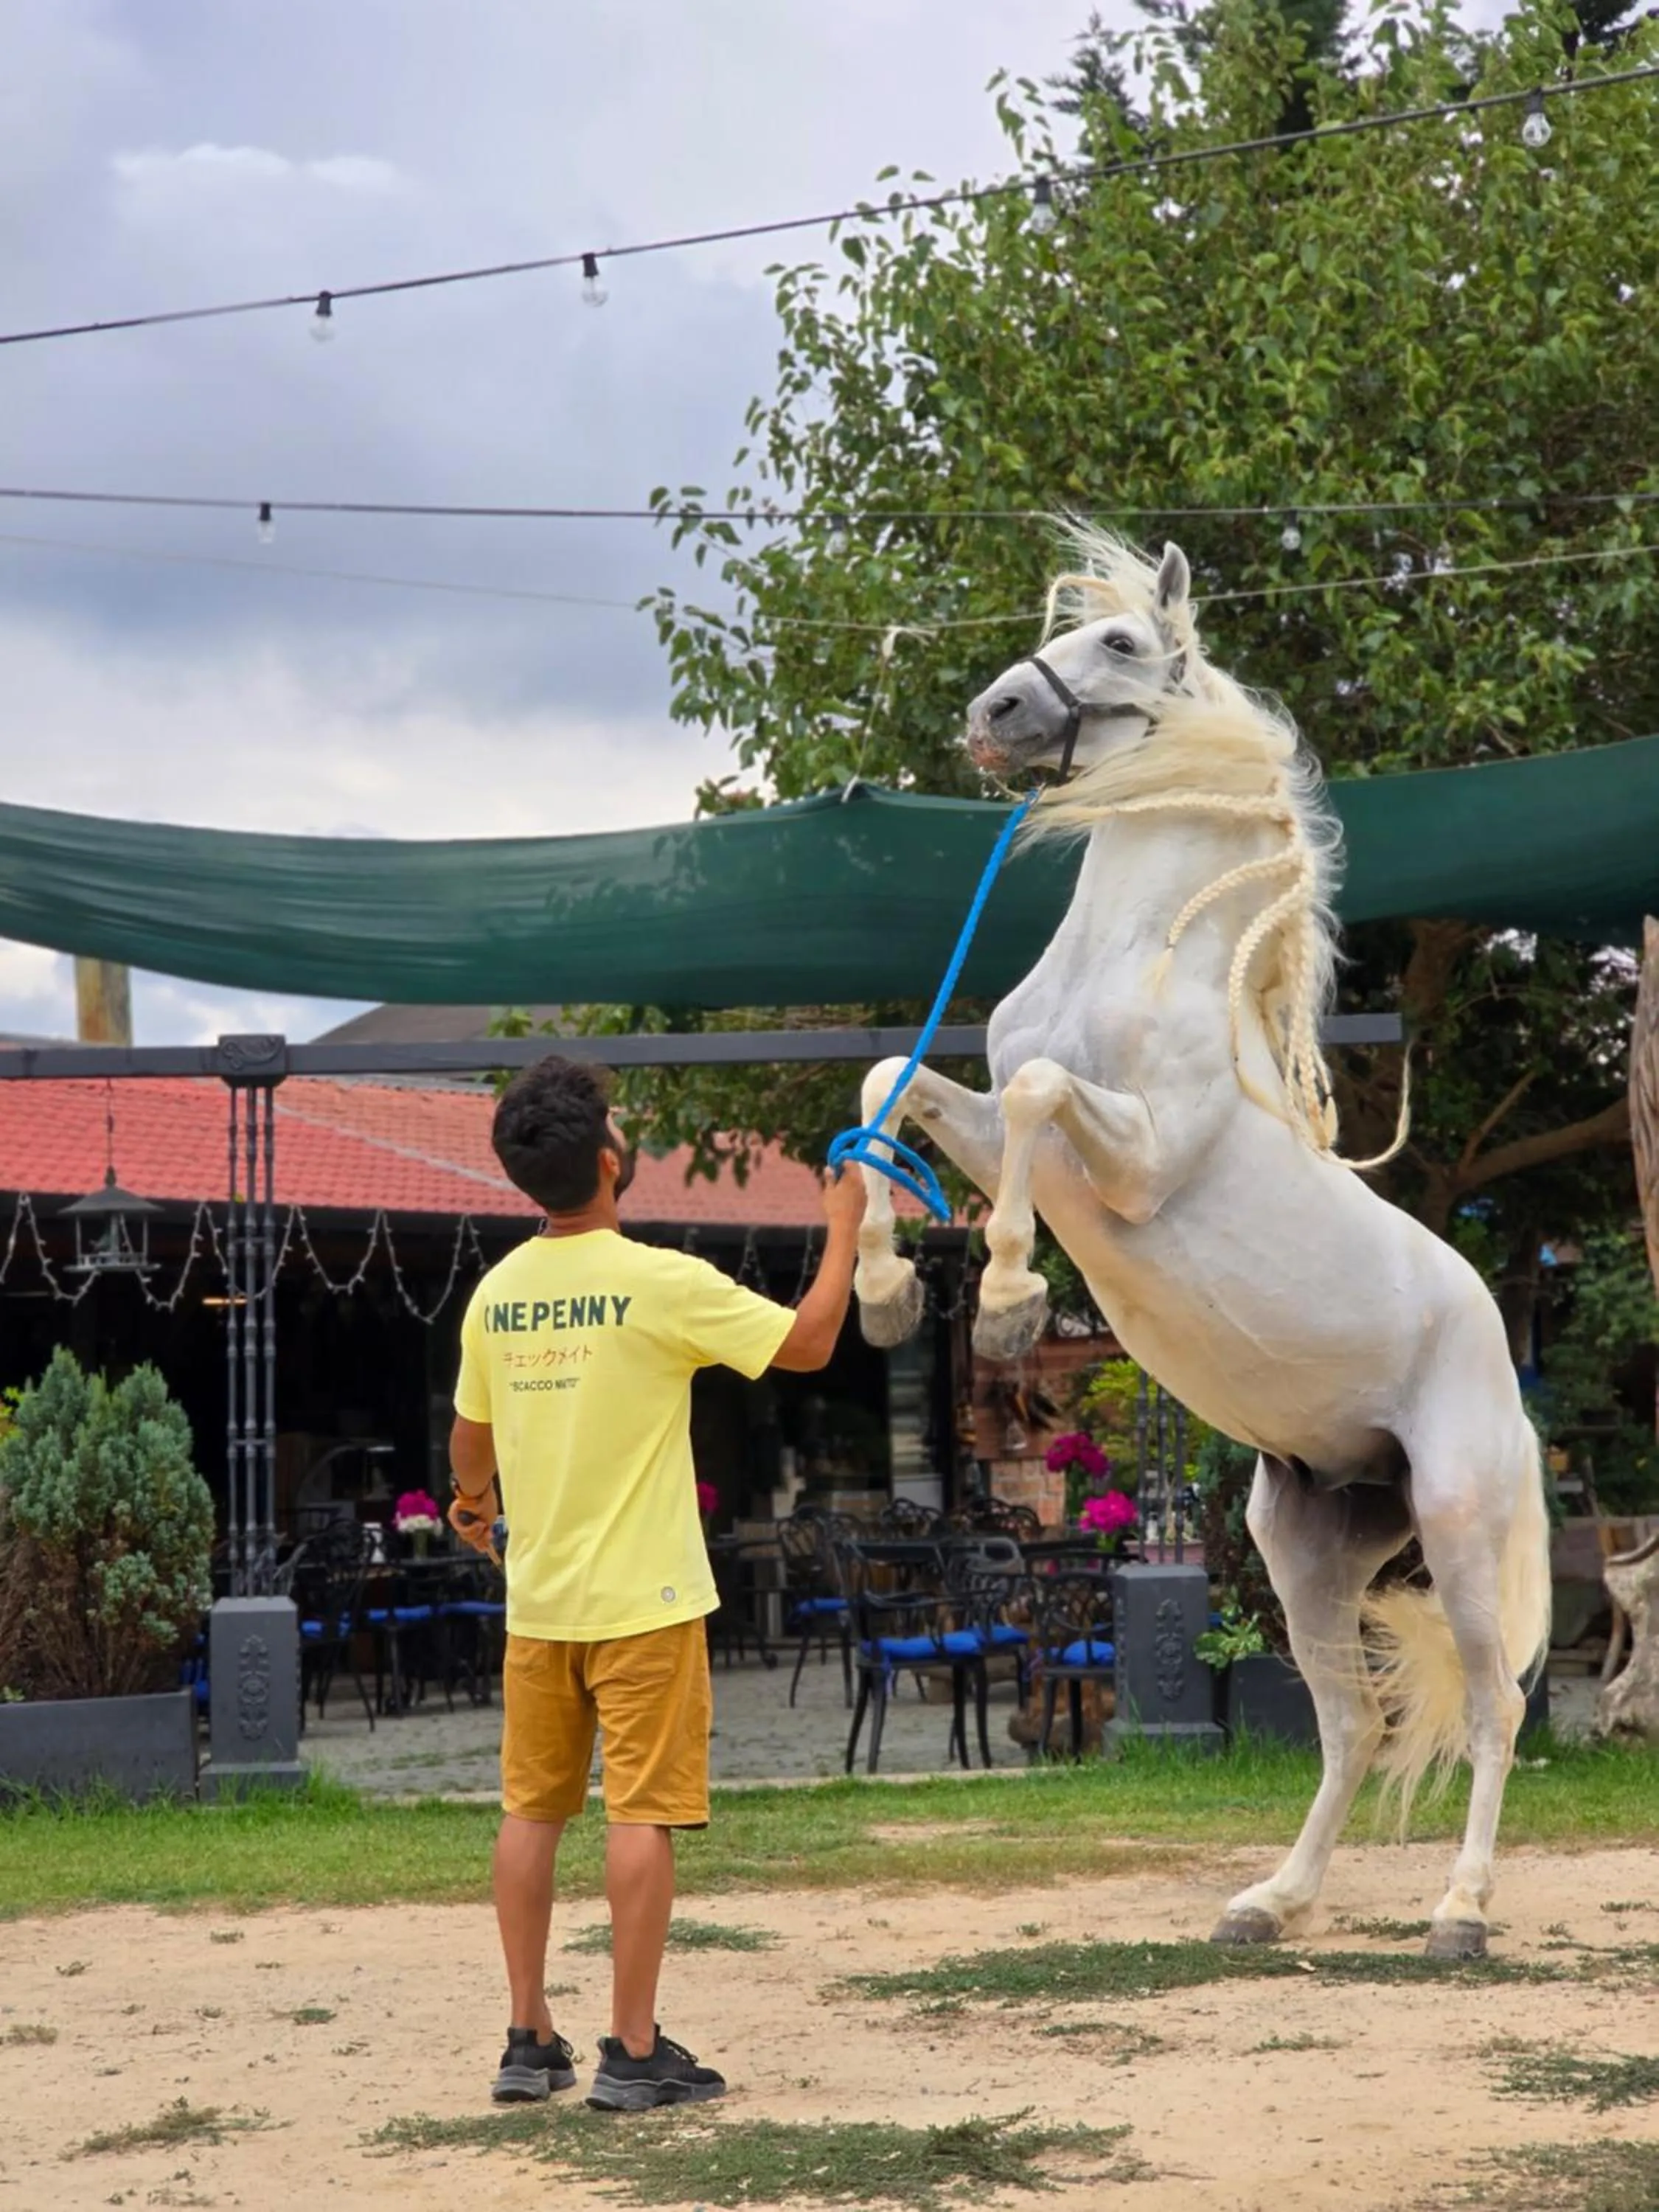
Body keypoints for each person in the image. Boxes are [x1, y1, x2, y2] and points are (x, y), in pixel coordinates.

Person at [448, 1052, 865, 2111]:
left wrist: (473, 1506)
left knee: (530, 1814)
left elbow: (470, 1441)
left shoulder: (497, 1295)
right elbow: (811, 1342)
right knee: (640, 1813)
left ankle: (526, 2037)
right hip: (648, 1606)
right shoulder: (659, 1280)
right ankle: (632, 2052)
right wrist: (846, 1224)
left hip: (541, 1607)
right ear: (607, 1160)